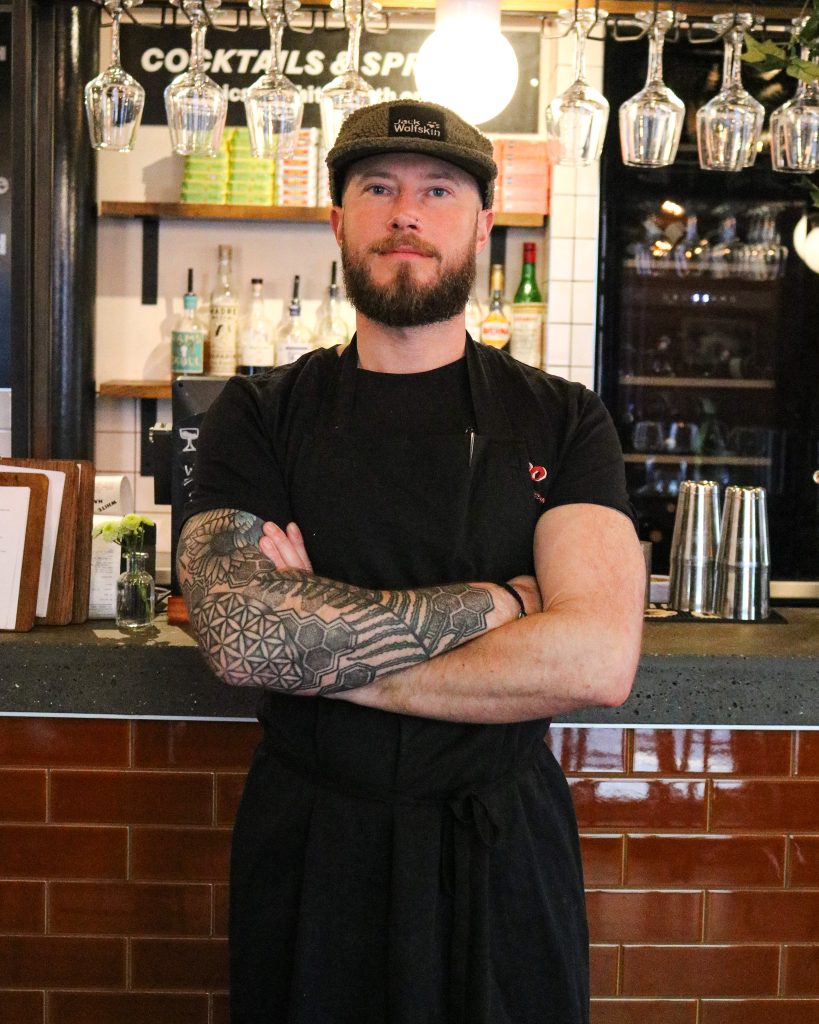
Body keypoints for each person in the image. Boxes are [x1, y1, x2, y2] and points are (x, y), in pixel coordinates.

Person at [177, 99, 645, 1024]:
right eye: (377, 189)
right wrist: (504, 602)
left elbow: (596, 659)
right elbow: (240, 640)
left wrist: (323, 656)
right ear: (338, 222)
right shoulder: (260, 412)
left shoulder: (562, 418)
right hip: (316, 843)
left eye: (438, 191)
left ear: (479, 225)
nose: (406, 214)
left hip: (498, 843)